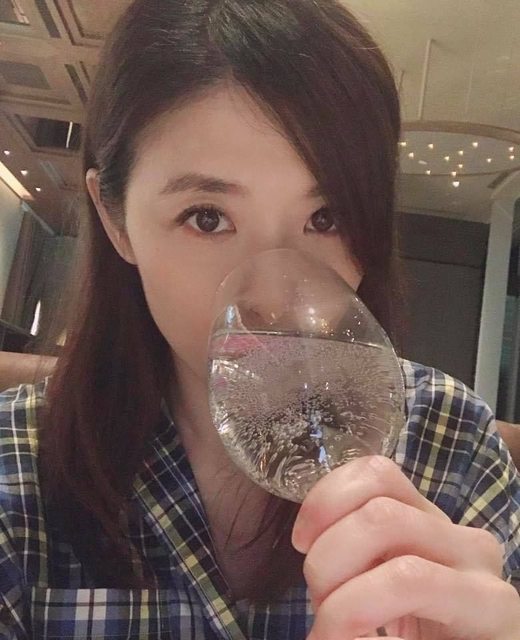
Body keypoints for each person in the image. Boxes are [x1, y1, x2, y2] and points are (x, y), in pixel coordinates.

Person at [0, 1, 519, 638]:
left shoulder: (452, 444)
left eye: (326, 217)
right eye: (207, 218)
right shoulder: (17, 475)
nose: (273, 299)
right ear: (116, 222)